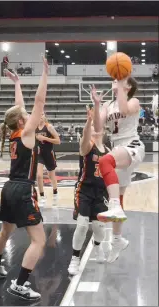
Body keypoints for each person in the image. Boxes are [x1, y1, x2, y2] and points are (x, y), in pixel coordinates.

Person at [0, 56, 49, 300]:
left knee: (5, 231)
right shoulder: (27, 132)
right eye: (25, 115)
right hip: (23, 190)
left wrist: (17, 83)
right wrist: (44, 73)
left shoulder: (13, 132)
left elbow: (18, 108)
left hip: (9, 187)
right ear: (23, 121)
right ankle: (20, 284)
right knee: (38, 240)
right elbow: (38, 101)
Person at [91, 77, 145, 263]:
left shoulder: (133, 100)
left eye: (120, 79)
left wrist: (121, 87)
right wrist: (97, 105)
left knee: (105, 162)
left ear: (128, 86)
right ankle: (117, 240)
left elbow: (124, 110)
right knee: (119, 198)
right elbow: (98, 128)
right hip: (117, 148)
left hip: (132, 145)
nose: (115, 80)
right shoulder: (108, 104)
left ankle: (112, 205)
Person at [68, 106, 110, 275]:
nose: (95, 129)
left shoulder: (108, 151)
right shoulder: (86, 146)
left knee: (99, 227)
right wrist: (89, 120)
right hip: (84, 189)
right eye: (93, 127)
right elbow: (85, 138)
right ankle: (75, 258)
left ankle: (98, 246)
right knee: (82, 224)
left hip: (101, 192)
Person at [36, 113, 60, 206]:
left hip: (49, 154)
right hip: (39, 154)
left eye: (42, 114)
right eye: (39, 114)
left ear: (44, 115)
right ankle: (42, 196)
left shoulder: (49, 127)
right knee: (38, 175)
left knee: (51, 176)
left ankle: (55, 192)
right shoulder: (34, 127)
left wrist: (44, 138)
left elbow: (58, 141)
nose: (40, 115)